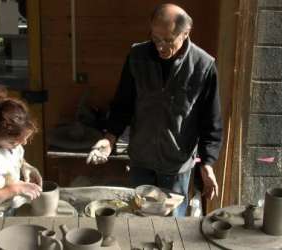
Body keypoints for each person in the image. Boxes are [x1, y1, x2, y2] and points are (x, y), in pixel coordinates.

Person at [87, 3, 222, 216]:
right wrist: (109, 138)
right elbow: (123, 104)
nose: (160, 47)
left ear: (186, 34)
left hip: (176, 165)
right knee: (137, 221)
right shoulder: (137, 56)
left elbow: (211, 121)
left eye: (168, 40)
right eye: (156, 38)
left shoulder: (203, 66)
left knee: (172, 228)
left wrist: (208, 163)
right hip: (141, 160)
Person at [0, 85, 42, 214]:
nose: (23, 143)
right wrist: (14, 189)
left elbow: (12, 156)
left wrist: (25, 166)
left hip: (10, 209)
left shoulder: (9, 145)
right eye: (14, 142)